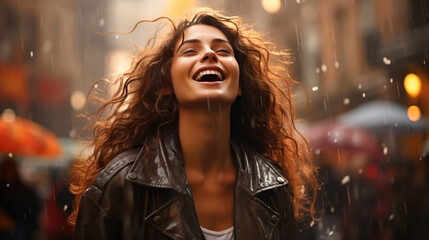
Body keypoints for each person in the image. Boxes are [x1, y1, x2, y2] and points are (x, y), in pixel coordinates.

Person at [69, 8, 318, 239]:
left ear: (240, 84)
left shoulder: (273, 188)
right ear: (166, 84)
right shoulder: (120, 187)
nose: (210, 54)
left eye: (223, 51)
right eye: (189, 51)